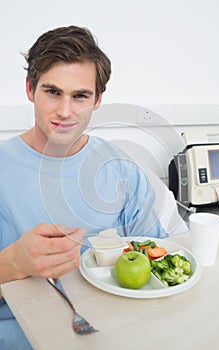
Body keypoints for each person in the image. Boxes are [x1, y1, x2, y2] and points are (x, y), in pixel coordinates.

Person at [0, 25, 174, 349]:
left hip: (117, 334)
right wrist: (12, 263)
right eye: (52, 92)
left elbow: (155, 261)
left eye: (80, 96)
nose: (65, 112)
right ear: (29, 89)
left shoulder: (121, 169)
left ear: (97, 100)